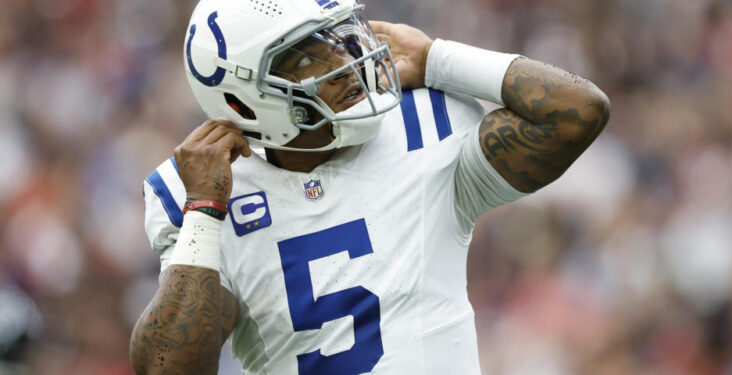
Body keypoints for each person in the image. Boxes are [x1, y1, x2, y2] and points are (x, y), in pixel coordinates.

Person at [129, 0, 610, 373]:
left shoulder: (425, 126)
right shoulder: (206, 195)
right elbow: (167, 369)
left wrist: (437, 58)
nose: (344, 58)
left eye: (336, 37)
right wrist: (204, 212)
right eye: (304, 55)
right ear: (245, 98)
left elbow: (578, 111)